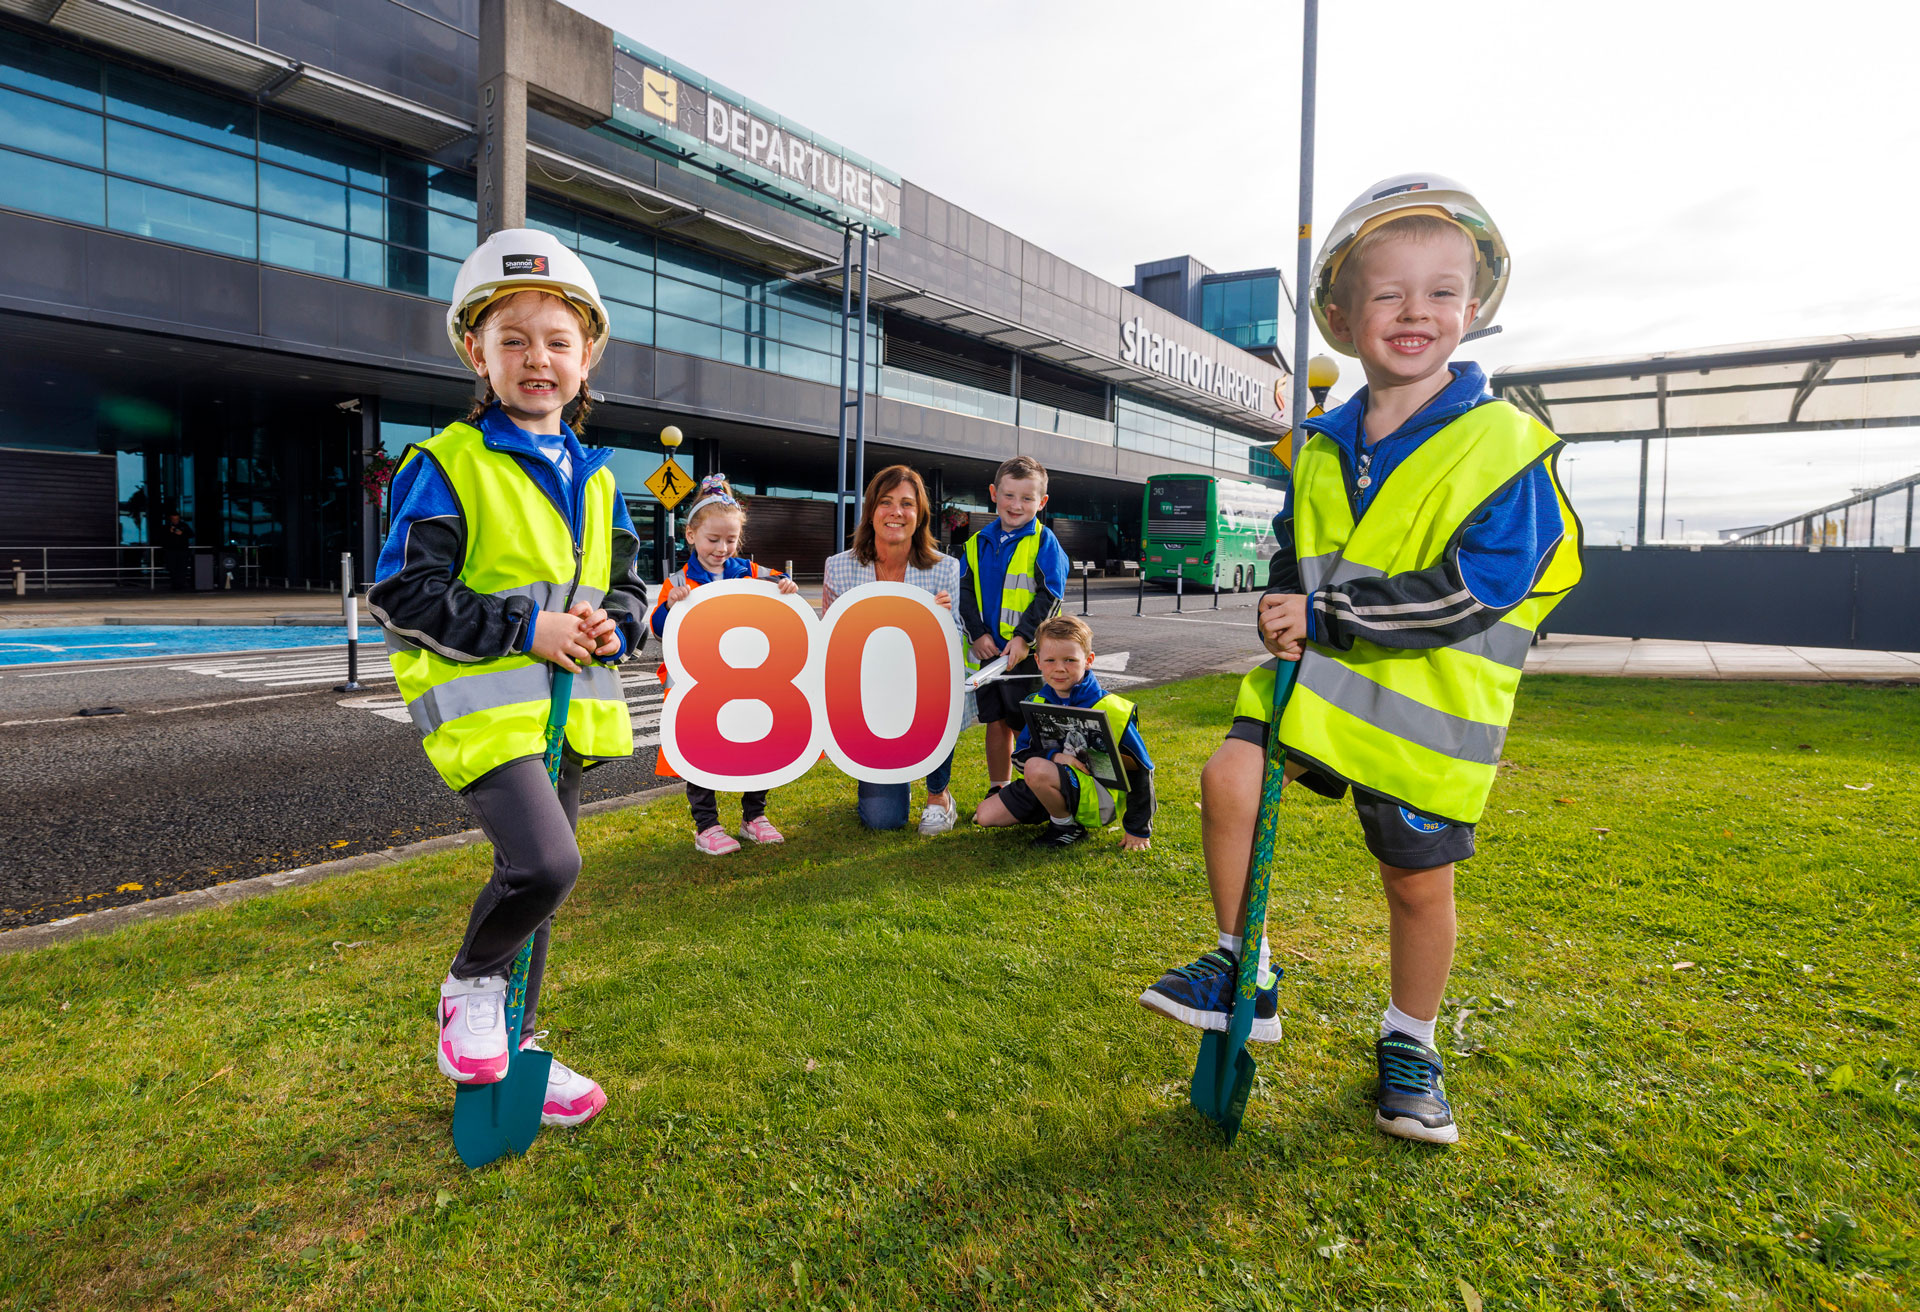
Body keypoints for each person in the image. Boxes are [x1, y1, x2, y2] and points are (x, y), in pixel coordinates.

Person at [1138, 175, 1582, 1145]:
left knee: (1416, 886)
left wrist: (1326, 610)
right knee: (1228, 777)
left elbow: (1479, 591)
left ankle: (1411, 1041)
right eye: (1388, 292)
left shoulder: (1509, 448)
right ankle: (1242, 971)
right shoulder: (1316, 446)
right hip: (1316, 685)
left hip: (1426, 712)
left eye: (1440, 289)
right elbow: (1304, 560)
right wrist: (1280, 609)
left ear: (1474, 308)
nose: (1414, 310)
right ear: (1342, 315)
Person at [368, 228, 647, 1131]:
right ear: (474, 352)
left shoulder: (600, 481)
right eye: (513, 340)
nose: (538, 358)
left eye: (558, 341)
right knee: (545, 861)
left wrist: (618, 622)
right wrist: (531, 626)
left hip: (563, 716)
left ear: (589, 355)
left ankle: (516, 1044)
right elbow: (403, 593)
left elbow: (630, 587)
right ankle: (469, 987)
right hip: (485, 713)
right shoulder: (446, 463)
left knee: (546, 890)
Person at [647, 474, 800, 855]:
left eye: (731, 540)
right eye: (713, 539)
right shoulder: (679, 580)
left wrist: (786, 586)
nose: (722, 548)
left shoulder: (747, 571)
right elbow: (660, 630)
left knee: (757, 743)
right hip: (698, 686)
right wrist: (670, 606)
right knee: (700, 750)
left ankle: (754, 816)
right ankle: (707, 825)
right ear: (691, 535)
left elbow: (779, 584)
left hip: (748, 680)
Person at [821, 464, 965, 834]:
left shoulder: (944, 568)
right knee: (884, 821)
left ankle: (939, 796)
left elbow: (957, 641)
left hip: (924, 691)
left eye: (907, 503)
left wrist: (946, 620)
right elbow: (830, 643)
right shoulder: (839, 568)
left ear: (920, 515)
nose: (896, 512)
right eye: (886, 502)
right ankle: (881, 777)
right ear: (871, 511)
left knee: (941, 691)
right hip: (870, 697)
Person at [972, 615, 1156, 850]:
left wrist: (1137, 830)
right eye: (1050, 660)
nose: (1059, 668)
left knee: (1036, 769)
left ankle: (1066, 827)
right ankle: (1056, 810)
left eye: (1070, 660)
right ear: (1037, 661)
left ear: (1088, 660)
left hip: (1096, 798)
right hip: (1052, 780)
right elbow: (1020, 757)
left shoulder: (1111, 708)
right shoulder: (1037, 702)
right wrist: (1056, 758)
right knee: (985, 816)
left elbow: (1141, 770)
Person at [956, 455, 1070, 799]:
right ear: (993, 493)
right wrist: (978, 635)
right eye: (1009, 495)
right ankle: (999, 787)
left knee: (1030, 723)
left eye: (1027, 498)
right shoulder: (975, 543)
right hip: (989, 654)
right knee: (996, 722)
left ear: (1042, 502)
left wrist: (1024, 639)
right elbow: (963, 592)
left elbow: (1050, 594)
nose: (1016, 505)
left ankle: (1037, 786)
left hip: (1027, 657)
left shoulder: (1044, 541)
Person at [159, 511, 192, 591]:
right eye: (173, 519)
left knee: (182, 568)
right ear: (171, 519)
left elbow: (191, 534)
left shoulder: (184, 526)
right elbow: (160, 538)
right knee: (172, 568)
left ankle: (181, 584)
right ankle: (174, 584)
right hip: (171, 551)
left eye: (177, 519)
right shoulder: (166, 527)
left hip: (182, 550)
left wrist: (182, 533)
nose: (175, 521)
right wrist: (169, 532)